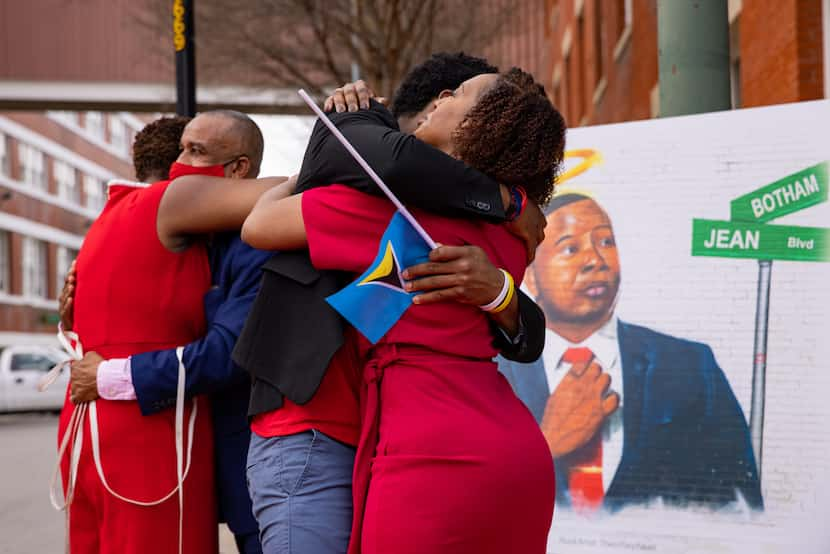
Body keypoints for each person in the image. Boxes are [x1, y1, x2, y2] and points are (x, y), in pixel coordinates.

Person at [233, 54, 549, 553]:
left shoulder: (385, 211)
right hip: (513, 446)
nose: (444, 100)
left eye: (458, 95)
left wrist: (302, 180)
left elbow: (257, 226)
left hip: (424, 449)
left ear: (476, 128)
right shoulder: (514, 231)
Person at [59, 111, 289, 553]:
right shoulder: (159, 212)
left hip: (103, 427)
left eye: (195, 152)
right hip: (149, 431)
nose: (180, 166)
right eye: (182, 149)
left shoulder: (112, 220)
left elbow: (226, 347)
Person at [498, 192, 764, 512]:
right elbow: (462, 495)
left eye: (606, 242)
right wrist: (548, 443)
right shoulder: (493, 367)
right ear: (531, 277)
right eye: (570, 248)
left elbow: (741, 502)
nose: (595, 259)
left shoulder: (691, 366)